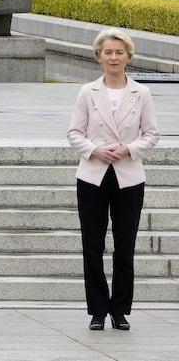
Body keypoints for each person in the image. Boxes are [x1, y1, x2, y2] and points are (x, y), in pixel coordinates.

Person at [68, 29, 160, 331]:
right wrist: (95, 150)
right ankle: (97, 309)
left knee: (125, 245)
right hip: (93, 175)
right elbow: (74, 133)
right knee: (92, 245)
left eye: (119, 52)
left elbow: (151, 134)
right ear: (98, 56)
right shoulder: (87, 92)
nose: (113, 57)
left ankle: (120, 309)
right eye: (108, 52)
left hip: (129, 177)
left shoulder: (141, 93)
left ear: (129, 56)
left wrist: (129, 149)